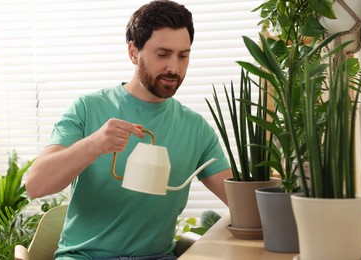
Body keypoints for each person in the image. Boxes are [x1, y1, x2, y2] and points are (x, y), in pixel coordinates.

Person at [26, 0, 232, 259]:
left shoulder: (196, 128)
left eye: (183, 55)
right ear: (134, 53)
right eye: (162, 54)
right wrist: (95, 144)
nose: (174, 68)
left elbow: (241, 203)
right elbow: (36, 185)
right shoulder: (88, 108)